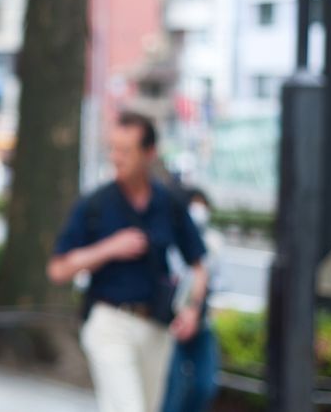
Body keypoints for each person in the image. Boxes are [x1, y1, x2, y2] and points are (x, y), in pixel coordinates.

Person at [48, 111, 208, 412]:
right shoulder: (95, 204)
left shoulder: (169, 203)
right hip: (109, 322)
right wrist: (108, 249)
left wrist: (192, 309)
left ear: (149, 153)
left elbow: (198, 265)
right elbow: (58, 269)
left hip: (157, 327)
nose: (116, 158)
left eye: (125, 150)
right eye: (113, 149)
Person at [162, 189, 222, 412]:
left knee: (205, 385)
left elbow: (209, 278)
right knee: (173, 388)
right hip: (172, 324)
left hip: (200, 323)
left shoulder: (213, 242)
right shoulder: (170, 240)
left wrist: (195, 310)